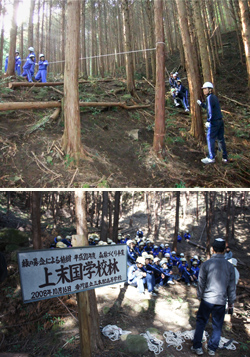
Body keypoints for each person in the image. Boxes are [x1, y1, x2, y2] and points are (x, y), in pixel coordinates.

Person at [191, 238, 236, 356]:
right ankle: (212, 349)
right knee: (217, 325)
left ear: (212, 249)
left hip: (207, 299)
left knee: (201, 322)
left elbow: (201, 282)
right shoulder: (230, 267)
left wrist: (200, 295)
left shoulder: (207, 264)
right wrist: (231, 302)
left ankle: (197, 347)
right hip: (221, 301)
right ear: (224, 251)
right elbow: (231, 287)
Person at [197, 82, 228, 165]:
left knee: (210, 138)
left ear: (210, 90)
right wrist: (201, 104)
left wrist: (208, 121)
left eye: (205, 89)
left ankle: (211, 157)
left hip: (214, 122)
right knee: (220, 139)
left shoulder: (209, 98)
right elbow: (209, 108)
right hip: (220, 121)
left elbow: (210, 111)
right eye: (203, 89)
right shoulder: (213, 97)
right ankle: (224, 157)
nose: (204, 91)